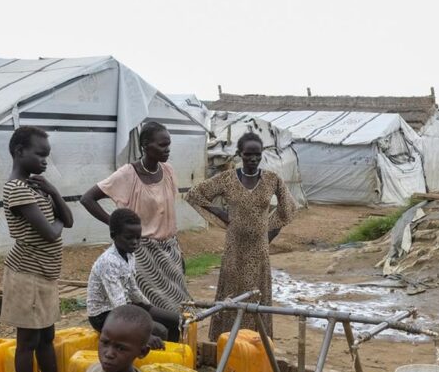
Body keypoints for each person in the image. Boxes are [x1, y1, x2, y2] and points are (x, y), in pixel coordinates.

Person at [185, 132, 296, 340]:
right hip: (234, 248)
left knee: (257, 294)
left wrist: (267, 232)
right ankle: (227, 341)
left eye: (257, 154)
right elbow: (195, 194)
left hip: (259, 250)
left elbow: (287, 209)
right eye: (248, 155)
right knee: (232, 293)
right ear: (239, 155)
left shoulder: (272, 180)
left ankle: (255, 342)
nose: (253, 159)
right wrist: (221, 214)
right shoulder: (227, 179)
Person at [80, 121, 190, 314]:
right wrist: (116, 225)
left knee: (177, 309)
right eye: (162, 145)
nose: (167, 149)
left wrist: (177, 249)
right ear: (145, 145)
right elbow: (87, 198)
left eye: (168, 144)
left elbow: (167, 213)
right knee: (151, 309)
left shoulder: (168, 171)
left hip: (169, 251)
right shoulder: (127, 174)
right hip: (142, 255)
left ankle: (175, 344)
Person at [2, 126, 73, 372]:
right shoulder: (15, 188)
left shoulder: (34, 186)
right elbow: (51, 232)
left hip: (44, 275)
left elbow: (67, 219)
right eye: (40, 154)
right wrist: (55, 224)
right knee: (27, 343)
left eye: (47, 155)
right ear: (20, 152)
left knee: (46, 338)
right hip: (26, 275)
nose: (45, 160)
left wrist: (53, 191)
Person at [86, 208, 180, 341]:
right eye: (129, 238)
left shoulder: (129, 254)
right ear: (113, 235)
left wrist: (148, 307)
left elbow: (133, 288)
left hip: (125, 306)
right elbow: (118, 303)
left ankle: (174, 357)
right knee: (159, 330)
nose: (135, 242)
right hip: (104, 315)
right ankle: (152, 358)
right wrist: (143, 333)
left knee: (175, 320)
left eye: (138, 237)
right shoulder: (109, 262)